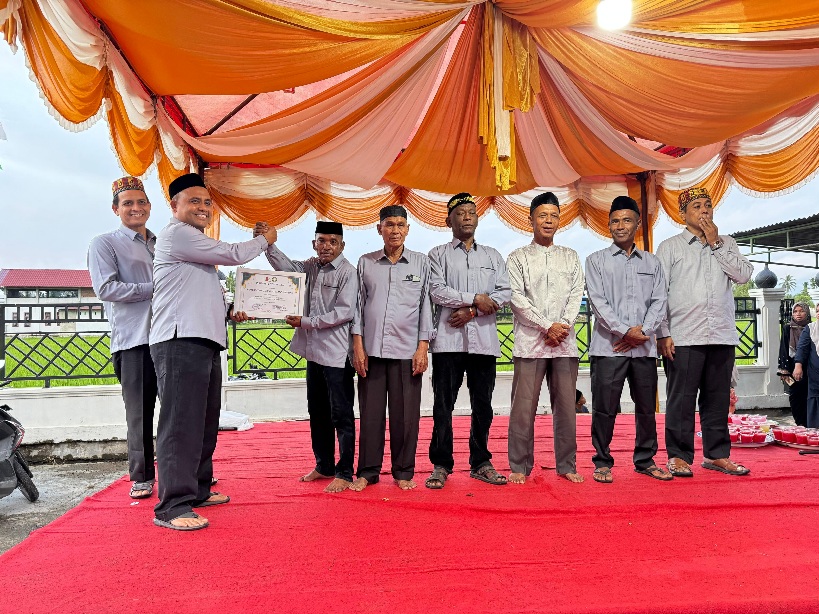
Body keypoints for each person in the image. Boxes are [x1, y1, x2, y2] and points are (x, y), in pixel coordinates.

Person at [150, 173, 277, 530]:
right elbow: (233, 253)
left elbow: (202, 296)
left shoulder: (196, 250)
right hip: (178, 341)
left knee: (205, 420)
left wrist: (231, 308)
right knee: (180, 424)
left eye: (207, 202)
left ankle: (198, 488)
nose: (203, 207)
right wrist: (264, 240)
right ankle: (172, 506)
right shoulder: (178, 235)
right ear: (174, 206)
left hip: (203, 340)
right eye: (194, 201)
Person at [656, 187, 753, 478]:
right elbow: (658, 294)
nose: (704, 211)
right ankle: (678, 456)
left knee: (718, 398)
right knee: (681, 399)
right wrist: (662, 332)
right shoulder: (670, 247)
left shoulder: (727, 243)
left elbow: (743, 275)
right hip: (683, 335)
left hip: (721, 334)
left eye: (708, 205)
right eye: (697, 206)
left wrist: (716, 244)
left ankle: (717, 455)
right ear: (682, 214)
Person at [257, 220, 358, 493]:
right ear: (314, 243)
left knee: (342, 414)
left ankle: (345, 472)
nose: (326, 246)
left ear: (342, 245)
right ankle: (324, 465)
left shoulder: (348, 272)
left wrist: (305, 321)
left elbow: (344, 313)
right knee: (318, 412)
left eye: (332, 242)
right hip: (313, 353)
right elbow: (286, 268)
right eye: (322, 241)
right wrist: (268, 243)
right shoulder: (310, 267)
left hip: (336, 355)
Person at [425, 193, 511, 489]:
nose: (467, 217)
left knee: (483, 405)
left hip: (484, 343)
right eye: (460, 212)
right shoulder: (437, 254)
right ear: (449, 220)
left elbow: (504, 293)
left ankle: (480, 461)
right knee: (442, 405)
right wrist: (474, 298)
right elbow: (437, 291)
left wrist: (472, 311)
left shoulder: (492, 256)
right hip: (448, 342)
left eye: (472, 212)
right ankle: (441, 464)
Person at [585, 196, 672, 484]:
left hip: (644, 349)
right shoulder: (595, 260)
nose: (620, 226)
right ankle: (602, 461)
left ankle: (645, 460)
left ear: (637, 224)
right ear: (608, 225)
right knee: (604, 407)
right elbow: (598, 303)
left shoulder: (652, 262)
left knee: (646, 407)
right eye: (614, 221)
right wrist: (625, 332)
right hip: (608, 347)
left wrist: (642, 333)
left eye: (626, 220)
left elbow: (660, 300)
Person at [350, 205, 432, 492]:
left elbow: (426, 308)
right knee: (370, 414)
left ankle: (403, 471)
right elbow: (357, 307)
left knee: (406, 416)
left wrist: (423, 347)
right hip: (370, 351)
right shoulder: (366, 262)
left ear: (408, 229)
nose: (395, 230)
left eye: (400, 225)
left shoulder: (422, 263)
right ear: (379, 229)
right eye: (389, 225)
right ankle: (368, 471)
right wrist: (357, 346)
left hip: (408, 352)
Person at [507, 192, 585, 484]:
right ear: (531, 219)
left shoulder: (571, 256)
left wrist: (562, 325)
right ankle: (519, 466)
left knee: (566, 408)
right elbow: (516, 299)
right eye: (543, 215)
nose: (548, 221)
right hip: (530, 344)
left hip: (564, 344)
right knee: (523, 409)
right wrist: (545, 326)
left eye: (553, 215)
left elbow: (577, 294)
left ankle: (567, 465)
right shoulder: (518, 258)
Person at [88, 176, 158, 500]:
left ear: (149, 207)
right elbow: (106, 289)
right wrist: (156, 289)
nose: (135, 208)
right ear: (116, 208)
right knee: (139, 413)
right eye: (127, 203)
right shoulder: (104, 243)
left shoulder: (163, 244)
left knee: (178, 410)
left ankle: (184, 472)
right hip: (133, 341)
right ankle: (142, 476)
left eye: (140, 202)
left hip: (170, 338)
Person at [778, 302, 811, 426]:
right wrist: (784, 370)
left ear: (807, 312)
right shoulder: (788, 328)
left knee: (808, 396)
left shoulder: (811, 327)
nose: (798, 314)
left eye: (801, 311)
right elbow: (784, 349)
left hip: (809, 367)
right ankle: (800, 423)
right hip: (792, 369)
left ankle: (809, 424)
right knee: (795, 397)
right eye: (795, 311)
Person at [793, 307, 819, 427]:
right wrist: (798, 366)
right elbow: (802, 348)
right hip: (816, 374)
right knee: (815, 400)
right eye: (818, 311)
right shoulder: (811, 328)